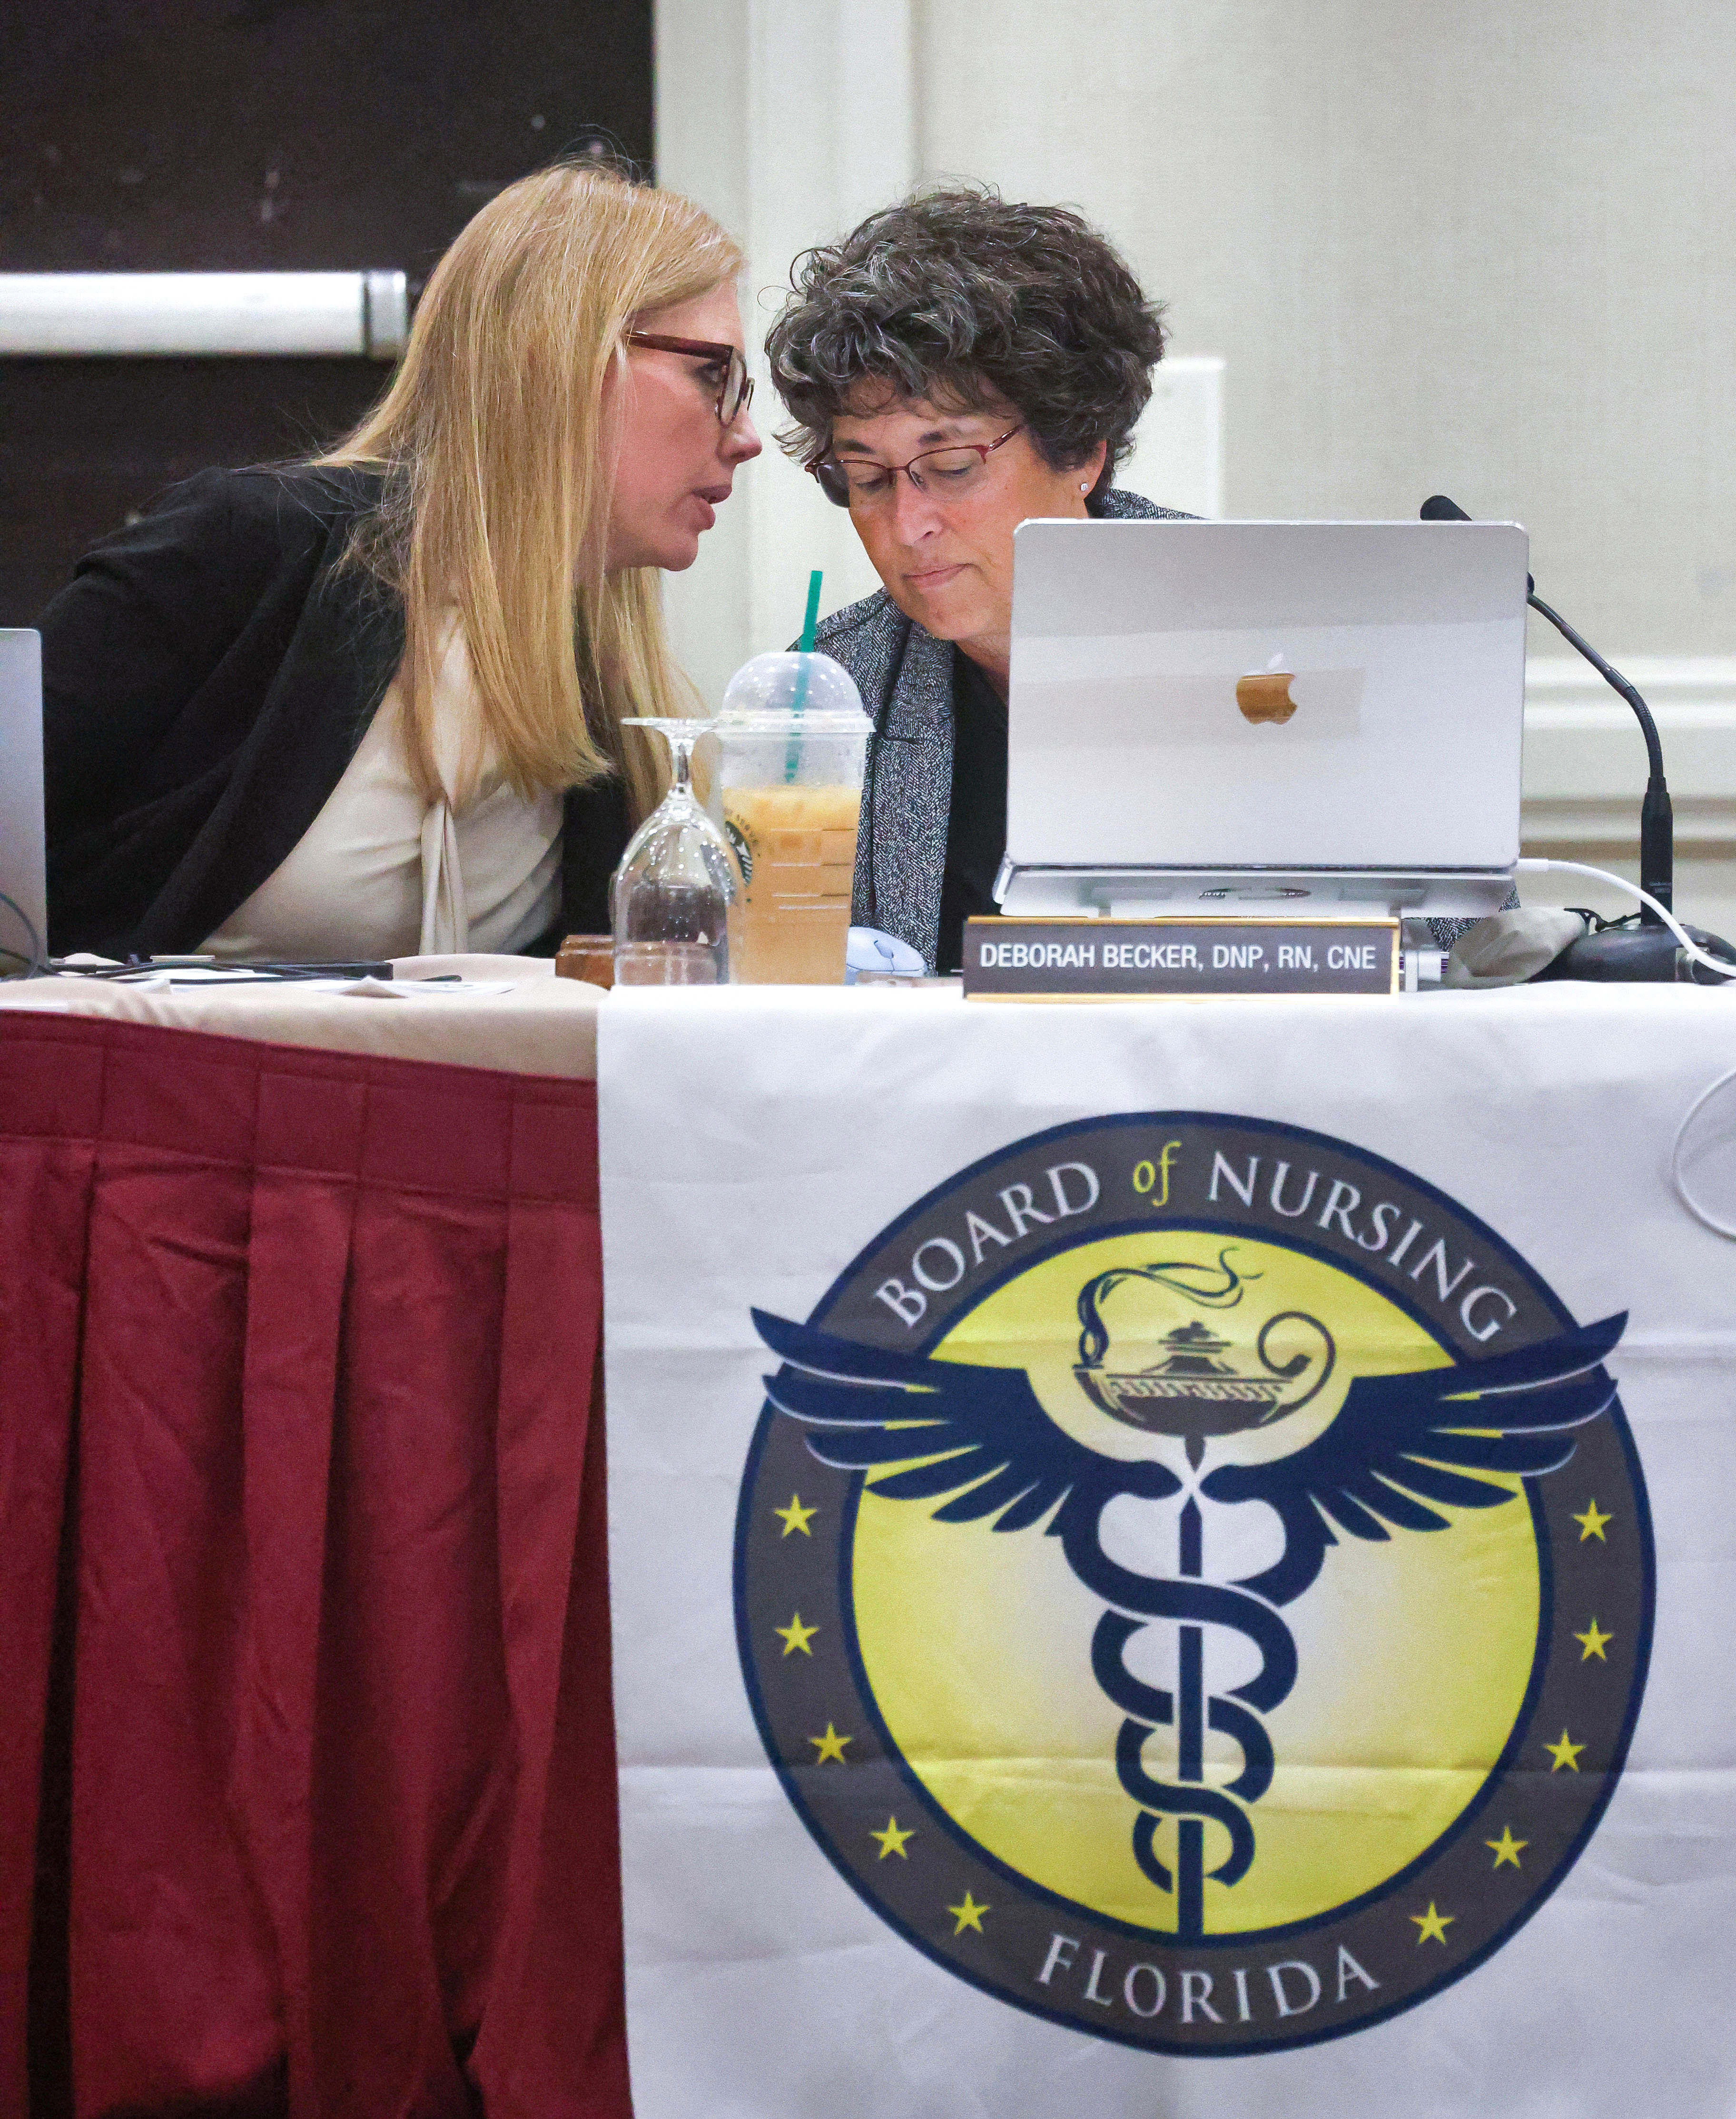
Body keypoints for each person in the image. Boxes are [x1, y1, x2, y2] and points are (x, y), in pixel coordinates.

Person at [41, 162, 761, 960]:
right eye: (713, 374)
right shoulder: (245, 548)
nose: (747, 436)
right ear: (562, 358)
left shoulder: (599, 674)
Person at [766, 187, 1183, 975]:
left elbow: (1432, 943)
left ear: (1082, 451)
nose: (908, 525)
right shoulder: (836, 689)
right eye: (867, 478)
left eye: (953, 466)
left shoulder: (1254, 632)